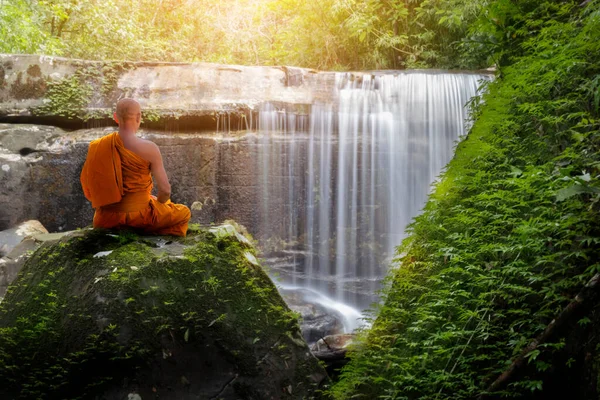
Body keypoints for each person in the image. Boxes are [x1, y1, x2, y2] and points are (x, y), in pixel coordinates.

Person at [80, 98, 191, 236]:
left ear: (115, 117)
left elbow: (89, 189)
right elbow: (165, 191)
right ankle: (150, 233)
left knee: (153, 201)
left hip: (106, 220)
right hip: (140, 217)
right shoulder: (149, 148)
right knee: (183, 212)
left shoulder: (97, 146)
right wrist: (159, 205)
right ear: (139, 117)